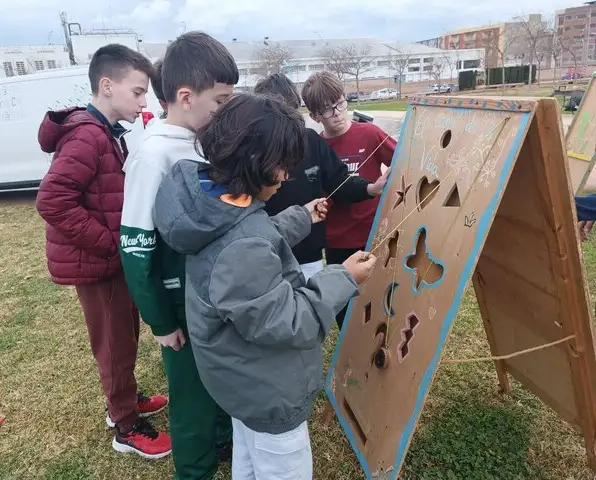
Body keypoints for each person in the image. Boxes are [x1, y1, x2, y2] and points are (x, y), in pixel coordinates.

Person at [152, 93, 377, 480]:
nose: (287, 177)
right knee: (279, 465)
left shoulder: (213, 202)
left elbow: (250, 235)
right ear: (256, 161)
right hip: (269, 391)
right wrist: (343, 277)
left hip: (241, 382)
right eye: (283, 166)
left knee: (249, 456)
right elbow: (289, 321)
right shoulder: (242, 247)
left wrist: (300, 217)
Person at [35, 44, 172, 458]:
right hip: (100, 265)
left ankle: (124, 399)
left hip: (111, 264)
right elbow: (53, 200)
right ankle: (126, 426)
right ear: (107, 86)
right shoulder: (88, 136)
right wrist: (111, 244)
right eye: (138, 91)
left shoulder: (105, 132)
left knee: (124, 337)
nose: (144, 102)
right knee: (114, 344)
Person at [119, 31, 238, 479]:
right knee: (191, 396)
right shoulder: (153, 155)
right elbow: (136, 248)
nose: (225, 110)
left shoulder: (197, 140)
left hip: (210, 295)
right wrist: (161, 322)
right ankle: (194, 469)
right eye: (221, 101)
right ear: (186, 97)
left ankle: (223, 439)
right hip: (181, 307)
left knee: (219, 378)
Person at [255, 73, 390, 280]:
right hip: (268, 256)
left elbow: (340, 182)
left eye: (291, 113)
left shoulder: (311, 142)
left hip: (310, 257)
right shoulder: (252, 153)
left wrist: (370, 188)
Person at [301, 71, 397, 328]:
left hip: (373, 234)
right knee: (346, 312)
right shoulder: (315, 148)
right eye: (327, 110)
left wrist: (386, 184)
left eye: (340, 103)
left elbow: (404, 159)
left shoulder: (370, 134)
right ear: (315, 116)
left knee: (381, 302)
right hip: (337, 242)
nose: (337, 113)